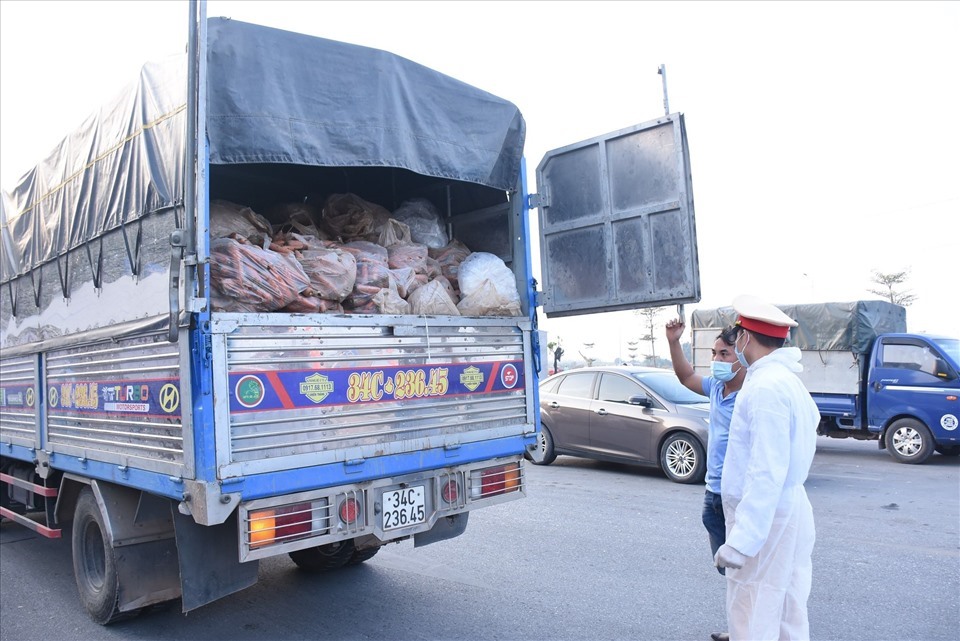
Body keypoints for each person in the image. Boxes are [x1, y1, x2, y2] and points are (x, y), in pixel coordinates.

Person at [714, 295, 820, 641]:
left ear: (746, 337)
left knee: (754, 608)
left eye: (737, 337)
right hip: (785, 510)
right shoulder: (786, 381)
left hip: (768, 518)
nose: (736, 345)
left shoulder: (765, 387)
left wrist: (742, 541)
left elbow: (766, 469)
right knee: (786, 604)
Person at [666, 318, 745, 641]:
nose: (717, 360)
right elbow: (686, 376)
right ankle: (741, 628)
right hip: (713, 493)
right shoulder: (716, 388)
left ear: (743, 355)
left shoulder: (752, 395)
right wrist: (674, 341)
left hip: (737, 494)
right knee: (730, 571)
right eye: (714, 353)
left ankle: (752, 631)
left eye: (724, 354)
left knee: (747, 570)